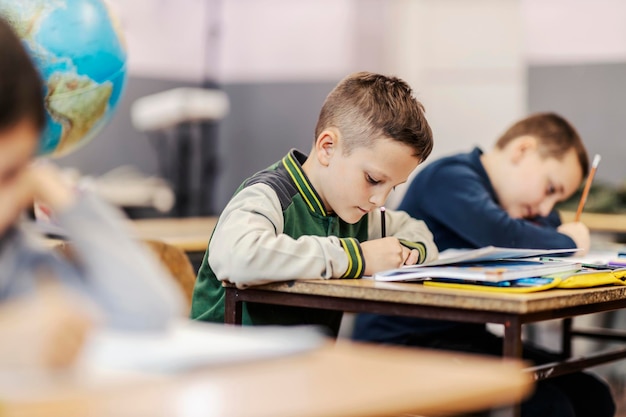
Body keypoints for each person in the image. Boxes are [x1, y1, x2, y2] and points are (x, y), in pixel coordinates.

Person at [353, 112, 615, 417]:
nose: (545, 207)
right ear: (522, 150)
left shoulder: (509, 206)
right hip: (400, 343)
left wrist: (555, 231)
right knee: (549, 407)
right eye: (550, 189)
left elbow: (548, 225)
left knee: (592, 394)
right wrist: (570, 242)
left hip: (463, 338)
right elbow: (503, 233)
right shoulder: (449, 177)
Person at [191, 71, 438, 335]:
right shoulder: (269, 195)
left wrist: (406, 252)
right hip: (223, 365)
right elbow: (239, 258)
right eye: (373, 179)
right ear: (327, 147)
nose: (380, 200)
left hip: (302, 365)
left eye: (393, 187)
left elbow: (420, 233)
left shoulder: (361, 212)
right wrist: (358, 258)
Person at [0, 16, 185, 368]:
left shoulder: (13, 254)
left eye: (16, 174)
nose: (8, 204)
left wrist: (67, 199)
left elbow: (151, 313)